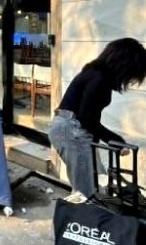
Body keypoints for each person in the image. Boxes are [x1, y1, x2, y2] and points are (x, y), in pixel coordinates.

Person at [50, 38, 146, 198]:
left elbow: (89, 118)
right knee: (85, 192)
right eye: (133, 73)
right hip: (70, 131)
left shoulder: (96, 74)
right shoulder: (98, 78)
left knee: (89, 186)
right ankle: (77, 221)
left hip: (71, 130)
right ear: (125, 64)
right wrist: (114, 139)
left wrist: (112, 140)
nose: (131, 79)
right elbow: (86, 119)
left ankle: (84, 218)